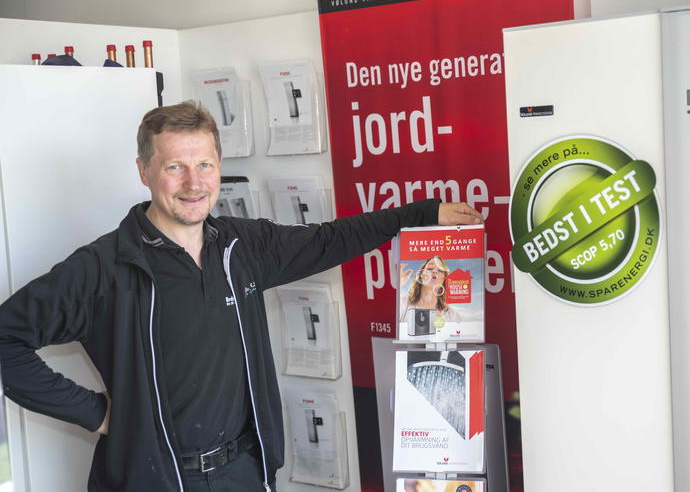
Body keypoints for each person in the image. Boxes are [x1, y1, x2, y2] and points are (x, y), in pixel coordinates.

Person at [0, 101, 483, 492]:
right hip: (152, 478)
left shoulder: (241, 247)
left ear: (219, 167)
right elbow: (6, 340)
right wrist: (98, 414)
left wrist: (418, 215)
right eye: (175, 167)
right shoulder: (104, 267)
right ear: (144, 171)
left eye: (205, 165)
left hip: (243, 472)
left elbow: (328, 240)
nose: (194, 183)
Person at [399, 256, 460, 324]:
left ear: (444, 279)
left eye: (440, 270)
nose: (434, 271)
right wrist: (399, 285)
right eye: (430, 268)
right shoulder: (401, 303)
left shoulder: (452, 315)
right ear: (421, 275)